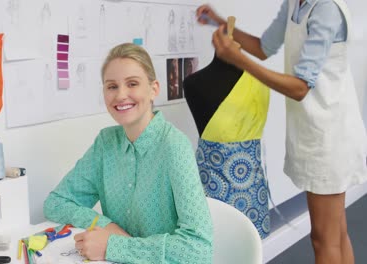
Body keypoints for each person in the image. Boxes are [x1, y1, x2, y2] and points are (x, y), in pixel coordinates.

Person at [197, 1, 367, 263]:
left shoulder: (326, 9)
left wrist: (238, 58)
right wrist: (219, 22)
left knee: (325, 239)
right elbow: (264, 48)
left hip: (331, 135)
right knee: (336, 233)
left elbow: (300, 87)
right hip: (316, 131)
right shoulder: (293, 4)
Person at [44, 43, 213, 263]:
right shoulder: (106, 143)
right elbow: (56, 203)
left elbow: (198, 249)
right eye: (111, 86)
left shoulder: (174, 146)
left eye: (132, 83)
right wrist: (107, 226)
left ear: (154, 89)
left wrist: (113, 245)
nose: (121, 95)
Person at [183, 52, 270, 238]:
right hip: (213, 188)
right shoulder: (192, 83)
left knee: (251, 249)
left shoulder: (259, 79)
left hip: (250, 187)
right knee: (217, 246)